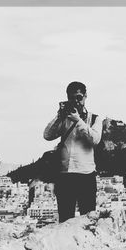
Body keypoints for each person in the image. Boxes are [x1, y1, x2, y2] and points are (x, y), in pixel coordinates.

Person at [43, 80, 104, 222]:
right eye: (72, 98)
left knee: (88, 219)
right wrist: (59, 116)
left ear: (85, 96)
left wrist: (78, 121)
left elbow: (95, 140)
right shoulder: (64, 119)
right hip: (65, 175)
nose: (76, 101)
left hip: (86, 174)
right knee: (65, 219)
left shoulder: (94, 118)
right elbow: (47, 135)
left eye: (79, 97)